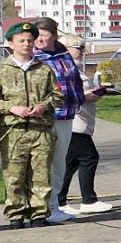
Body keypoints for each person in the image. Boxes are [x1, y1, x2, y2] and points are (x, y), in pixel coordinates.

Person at [0, 21, 63, 228]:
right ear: (11, 43)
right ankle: (16, 214)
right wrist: (12, 107)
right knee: (14, 175)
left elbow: (58, 95)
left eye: (30, 40)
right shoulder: (0, 70)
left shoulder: (44, 69)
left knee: (41, 175)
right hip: (14, 130)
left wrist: (43, 105)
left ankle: (39, 214)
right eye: (21, 40)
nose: (27, 44)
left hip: (41, 130)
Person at [31, 18, 84, 224]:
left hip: (66, 114)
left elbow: (75, 79)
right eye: (36, 35)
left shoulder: (63, 54)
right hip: (44, 117)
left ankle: (55, 204)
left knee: (60, 163)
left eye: (44, 35)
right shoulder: (33, 56)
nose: (39, 39)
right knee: (44, 163)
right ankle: (43, 207)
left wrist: (79, 98)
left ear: (54, 35)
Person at [57, 41, 110, 216]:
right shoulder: (65, 69)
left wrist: (94, 92)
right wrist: (85, 96)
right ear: (66, 48)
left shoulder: (77, 69)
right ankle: (88, 200)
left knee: (70, 163)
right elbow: (65, 95)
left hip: (82, 122)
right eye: (78, 48)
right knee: (89, 157)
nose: (83, 51)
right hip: (74, 122)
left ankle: (60, 200)